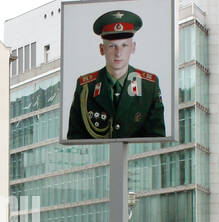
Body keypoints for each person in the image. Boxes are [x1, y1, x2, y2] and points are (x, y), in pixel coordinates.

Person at [67, 10, 166, 140]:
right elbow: (75, 138)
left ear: (133, 47)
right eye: (112, 46)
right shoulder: (86, 87)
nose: (118, 53)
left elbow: (156, 139)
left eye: (124, 45)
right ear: (102, 49)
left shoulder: (148, 86)